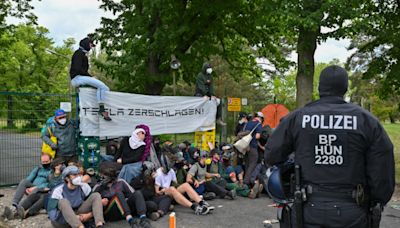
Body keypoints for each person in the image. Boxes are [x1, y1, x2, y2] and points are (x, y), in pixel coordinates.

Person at [265, 65, 395, 227]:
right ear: (345, 88)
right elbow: (382, 164)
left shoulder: (298, 118)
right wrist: (377, 199)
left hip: (308, 208)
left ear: (320, 88)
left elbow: (272, 154)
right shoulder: (366, 120)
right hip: (353, 210)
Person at [93, 162, 152, 228]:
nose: (101, 177)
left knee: (140, 195)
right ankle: (131, 220)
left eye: (103, 175)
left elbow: (133, 195)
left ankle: (143, 219)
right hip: (110, 212)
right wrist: (100, 202)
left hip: (124, 209)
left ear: (110, 176)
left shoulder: (121, 182)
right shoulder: (98, 187)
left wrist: (125, 200)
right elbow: (91, 202)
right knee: (119, 193)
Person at [69, 35, 111, 121]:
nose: (91, 47)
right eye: (91, 45)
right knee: (103, 87)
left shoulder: (83, 54)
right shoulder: (78, 53)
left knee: (101, 87)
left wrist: (91, 77)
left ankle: (100, 108)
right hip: (77, 78)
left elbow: (82, 70)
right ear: (86, 44)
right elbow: (77, 69)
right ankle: (101, 109)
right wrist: (90, 77)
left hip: (80, 77)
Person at [2, 153, 52, 220]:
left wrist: (36, 187)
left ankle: (19, 210)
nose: (45, 163)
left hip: (42, 189)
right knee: (23, 181)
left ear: (51, 160)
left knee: (36, 191)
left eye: (47, 162)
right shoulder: (38, 169)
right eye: (43, 162)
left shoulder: (52, 171)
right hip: (33, 186)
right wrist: (27, 187)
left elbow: (49, 184)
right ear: (41, 161)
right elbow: (29, 178)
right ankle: (14, 204)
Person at [243, 112, 263, 185]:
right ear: (261, 118)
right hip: (253, 146)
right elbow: (257, 136)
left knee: (247, 164)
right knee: (253, 164)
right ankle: (246, 181)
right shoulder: (258, 124)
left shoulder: (247, 123)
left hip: (245, 146)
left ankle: (245, 182)